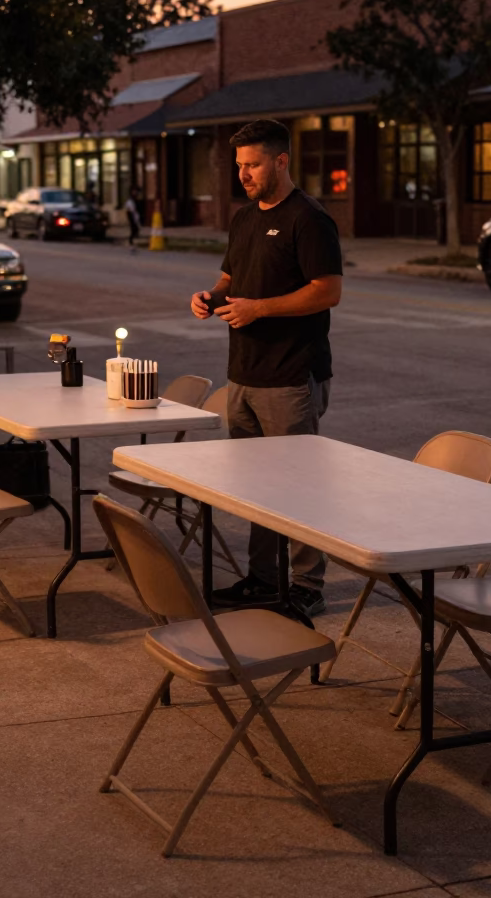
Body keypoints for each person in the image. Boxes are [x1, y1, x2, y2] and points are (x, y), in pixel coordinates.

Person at [189, 118, 342, 618]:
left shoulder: (309, 218)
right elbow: (233, 275)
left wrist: (260, 308)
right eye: (239, 166)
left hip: (291, 377)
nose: (244, 175)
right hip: (244, 374)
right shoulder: (245, 218)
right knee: (256, 488)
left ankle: (307, 587)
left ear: (281, 161)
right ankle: (263, 579)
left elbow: (327, 290)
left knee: (296, 485)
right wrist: (210, 297)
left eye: (253, 164)